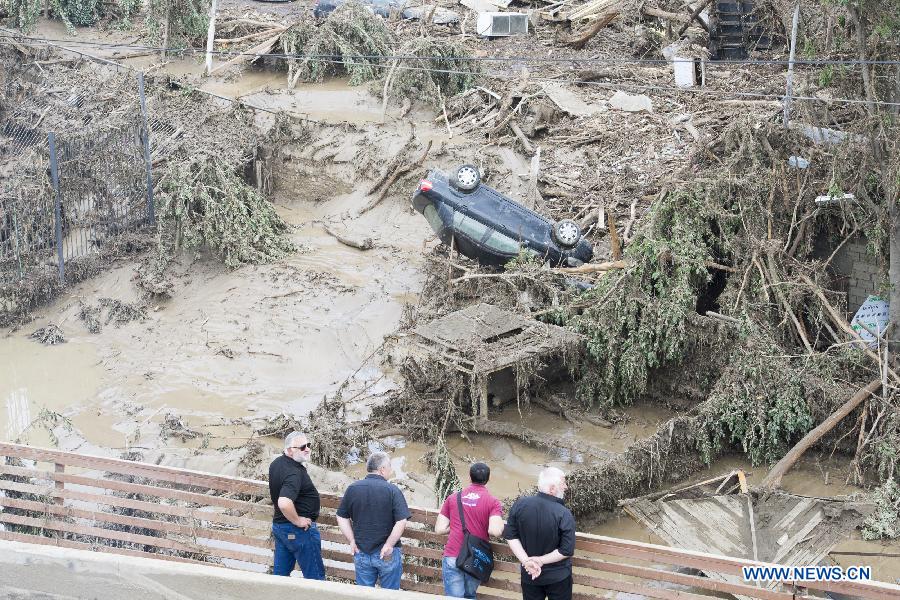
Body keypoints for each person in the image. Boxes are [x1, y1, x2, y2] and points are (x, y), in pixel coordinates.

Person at [336, 451, 411, 589]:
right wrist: (389, 545)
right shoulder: (392, 490)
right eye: (389, 466)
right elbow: (401, 521)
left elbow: (341, 516)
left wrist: (352, 540)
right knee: (390, 595)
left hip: (361, 551)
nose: (391, 470)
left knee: (365, 595)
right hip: (387, 553)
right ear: (382, 469)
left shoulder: (353, 488)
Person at [503, 467, 576, 600]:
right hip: (558, 577)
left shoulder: (519, 505)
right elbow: (566, 550)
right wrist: (540, 561)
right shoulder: (563, 513)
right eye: (563, 483)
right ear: (552, 489)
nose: (566, 487)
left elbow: (510, 536)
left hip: (530, 574)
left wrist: (527, 561)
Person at [435, 462, 505, 599]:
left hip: (453, 556)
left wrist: (456, 526)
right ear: (488, 479)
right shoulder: (493, 502)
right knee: (469, 596)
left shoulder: (453, 497)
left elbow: (439, 529)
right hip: (475, 558)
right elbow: (495, 531)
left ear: (469, 477)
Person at [268, 431, 326, 579]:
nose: (307, 449)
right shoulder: (294, 473)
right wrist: (298, 521)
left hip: (280, 528)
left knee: (280, 577)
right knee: (316, 579)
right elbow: (284, 502)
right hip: (298, 532)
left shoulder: (277, 463)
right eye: (302, 447)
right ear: (289, 450)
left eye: (308, 445)